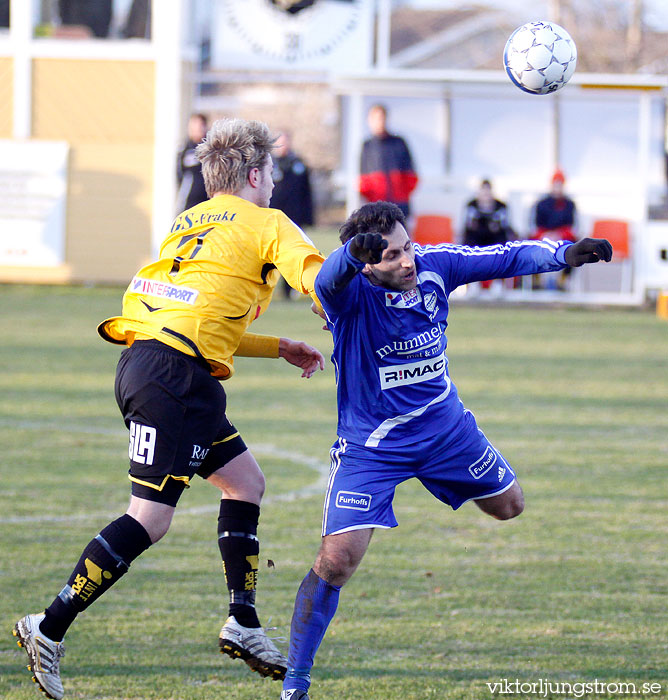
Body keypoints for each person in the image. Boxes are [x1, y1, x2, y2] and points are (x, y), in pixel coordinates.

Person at [13, 118, 328, 700]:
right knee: (150, 518)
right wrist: (363, 290)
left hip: (155, 366)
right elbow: (318, 280)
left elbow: (197, 314)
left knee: (245, 483)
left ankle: (244, 621)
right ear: (255, 174)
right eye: (272, 174)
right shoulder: (267, 222)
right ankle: (47, 627)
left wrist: (276, 345)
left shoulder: (189, 222)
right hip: (174, 378)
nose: (275, 186)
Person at [278, 201, 613, 700]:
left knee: (510, 506)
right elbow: (325, 280)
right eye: (390, 256)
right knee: (337, 560)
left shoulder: (434, 266)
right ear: (368, 261)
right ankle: (295, 684)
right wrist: (350, 255)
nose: (407, 261)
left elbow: (502, 256)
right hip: (373, 447)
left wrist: (564, 253)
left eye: (407, 246)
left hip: (447, 430)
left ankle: (448, 477)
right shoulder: (348, 297)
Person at [269, 130, 315, 300]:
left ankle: (288, 290)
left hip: (293, 217)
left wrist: (308, 217)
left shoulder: (299, 164)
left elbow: (306, 193)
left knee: (291, 254)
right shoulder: (269, 164)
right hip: (272, 217)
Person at [359, 104, 418, 218]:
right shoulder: (367, 146)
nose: (379, 122)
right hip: (375, 205)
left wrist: (401, 194)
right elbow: (363, 178)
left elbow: (411, 175)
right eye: (375, 118)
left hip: (400, 204)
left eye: (381, 118)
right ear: (369, 120)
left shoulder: (398, 142)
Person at [463, 178, 516, 293]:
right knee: (469, 242)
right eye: (483, 192)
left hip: (494, 239)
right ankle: (473, 282)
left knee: (502, 243)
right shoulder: (471, 205)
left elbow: (504, 226)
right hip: (477, 239)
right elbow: (469, 226)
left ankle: (497, 281)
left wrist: (489, 226)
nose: (486, 195)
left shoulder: (501, 206)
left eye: (488, 192)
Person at [530, 169, 578, 290]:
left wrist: (559, 234)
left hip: (562, 237)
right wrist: (547, 234)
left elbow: (571, 226)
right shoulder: (541, 204)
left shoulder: (569, 204)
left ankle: (563, 280)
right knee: (528, 244)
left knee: (575, 246)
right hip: (543, 236)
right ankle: (536, 279)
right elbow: (535, 225)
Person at [176, 114, 209, 213]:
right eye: (194, 125)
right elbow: (179, 174)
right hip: (190, 201)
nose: (197, 129)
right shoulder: (184, 149)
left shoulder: (211, 148)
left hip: (207, 199)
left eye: (200, 125)